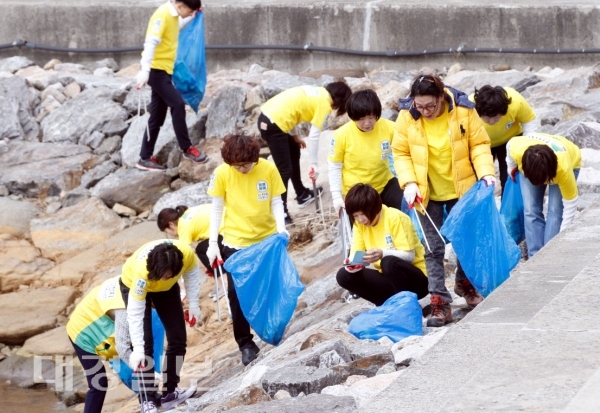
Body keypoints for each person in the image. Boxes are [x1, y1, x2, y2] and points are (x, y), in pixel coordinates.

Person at [393, 74, 496, 327]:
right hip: (425, 192)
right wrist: (409, 183)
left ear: (441, 97)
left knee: (466, 240)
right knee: (432, 247)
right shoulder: (407, 115)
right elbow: (401, 151)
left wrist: (486, 173)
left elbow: (479, 144)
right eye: (420, 106)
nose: (425, 111)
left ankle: (465, 283)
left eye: (430, 105)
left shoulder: (462, 110)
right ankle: (439, 300)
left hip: (462, 187)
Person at [206, 134, 287, 365]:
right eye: (237, 165)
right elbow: (217, 208)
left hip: (266, 240)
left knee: (270, 285)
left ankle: (272, 327)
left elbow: (276, 200)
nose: (242, 169)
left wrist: (281, 228)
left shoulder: (268, 168)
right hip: (235, 242)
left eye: (246, 164)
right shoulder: (222, 173)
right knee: (235, 293)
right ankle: (245, 343)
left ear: (255, 158)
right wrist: (213, 243)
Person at [119, 240, 200, 413]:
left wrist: (194, 304)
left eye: (170, 274)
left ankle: (170, 391)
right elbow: (135, 314)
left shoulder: (186, 254)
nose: (167, 276)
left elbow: (191, 275)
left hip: (167, 290)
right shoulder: (143, 272)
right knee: (145, 344)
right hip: (133, 285)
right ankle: (147, 399)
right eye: (164, 274)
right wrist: (138, 348)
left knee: (178, 339)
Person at [258, 82, 352, 223]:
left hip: (269, 117)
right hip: (273, 125)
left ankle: (302, 194)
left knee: (294, 151)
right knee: (284, 170)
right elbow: (314, 136)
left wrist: (295, 137)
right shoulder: (324, 104)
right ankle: (281, 212)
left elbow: (292, 111)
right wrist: (314, 164)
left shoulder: (317, 91)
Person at [135, 0, 208, 171]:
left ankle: (144, 158)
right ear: (180, 5)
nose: (190, 15)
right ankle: (187, 148)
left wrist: (193, 16)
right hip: (156, 71)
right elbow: (150, 43)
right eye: (190, 11)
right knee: (177, 104)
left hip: (164, 71)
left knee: (157, 116)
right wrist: (145, 71)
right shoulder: (162, 15)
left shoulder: (174, 15)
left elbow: (177, 25)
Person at [336, 184, 428, 306]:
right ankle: (386, 305)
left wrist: (382, 253)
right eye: (355, 216)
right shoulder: (359, 225)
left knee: (388, 262)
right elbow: (356, 255)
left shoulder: (395, 217)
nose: (360, 219)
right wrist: (352, 265)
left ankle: (407, 307)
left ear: (372, 208)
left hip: (418, 280)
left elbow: (410, 256)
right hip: (391, 280)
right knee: (343, 275)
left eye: (362, 214)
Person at [329, 89, 403, 215]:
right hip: (357, 190)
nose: (367, 123)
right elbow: (335, 166)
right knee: (365, 223)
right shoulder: (341, 135)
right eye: (361, 119)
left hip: (384, 183)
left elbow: (404, 152)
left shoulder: (390, 127)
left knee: (407, 203)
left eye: (371, 117)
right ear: (353, 117)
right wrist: (336, 196)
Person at [67, 276, 135, 413]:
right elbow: (124, 348)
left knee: (136, 361)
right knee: (98, 383)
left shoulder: (132, 280)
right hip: (81, 333)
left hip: (99, 322)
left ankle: (149, 397)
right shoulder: (124, 308)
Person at [506, 133, 581, 257]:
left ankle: (549, 256)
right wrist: (511, 168)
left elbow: (570, 205)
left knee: (555, 211)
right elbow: (509, 146)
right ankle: (534, 256)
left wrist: (560, 239)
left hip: (567, 158)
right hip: (533, 162)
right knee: (530, 209)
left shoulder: (563, 170)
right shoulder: (518, 151)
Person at [472, 85, 537, 194]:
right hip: (481, 143)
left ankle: (508, 210)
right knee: (478, 179)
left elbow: (529, 120)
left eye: (496, 117)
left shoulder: (515, 102)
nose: (492, 122)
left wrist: (526, 147)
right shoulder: (469, 107)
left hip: (510, 140)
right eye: (487, 118)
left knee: (509, 178)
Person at [157, 204, 226, 300]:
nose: (170, 235)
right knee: (205, 246)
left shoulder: (183, 226)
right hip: (232, 223)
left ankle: (224, 283)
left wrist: (182, 286)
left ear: (171, 224)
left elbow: (184, 256)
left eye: (167, 231)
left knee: (202, 250)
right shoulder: (187, 214)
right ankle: (219, 284)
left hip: (229, 232)